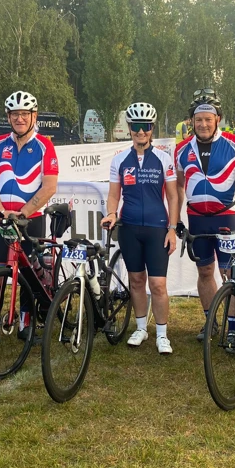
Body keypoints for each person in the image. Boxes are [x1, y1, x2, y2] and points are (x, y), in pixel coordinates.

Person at [173, 95, 235, 343]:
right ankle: (211, 321)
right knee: (204, 271)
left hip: (225, 217)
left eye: (208, 119)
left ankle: (233, 327)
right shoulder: (181, 149)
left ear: (218, 120)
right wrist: (176, 220)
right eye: (198, 119)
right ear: (192, 121)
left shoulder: (234, 144)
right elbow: (179, 188)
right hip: (197, 219)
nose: (203, 124)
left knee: (229, 273)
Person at [0, 91, 59, 353]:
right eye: (15, 114)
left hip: (30, 221)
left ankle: (26, 325)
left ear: (34, 116)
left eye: (25, 113)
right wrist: (2, 211)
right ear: (9, 117)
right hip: (1, 220)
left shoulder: (45, 146)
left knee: (28, 275)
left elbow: (49, 187)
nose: (20, 118)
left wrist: (23, 213)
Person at [101, 102, 178, 355]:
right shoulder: (120, 160)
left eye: (145, 127)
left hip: (157, 229)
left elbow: (173, 197)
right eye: (136, 126)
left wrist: (172, 228)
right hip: (130, 228)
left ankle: (162, 334)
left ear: (152, 128)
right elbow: (114, 195)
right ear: (130, 128)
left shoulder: (164, 159)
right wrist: (112, 213)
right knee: (136, 280)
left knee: (157, 284)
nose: (140, 132)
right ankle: (141, 328)